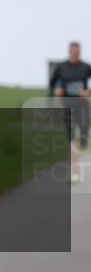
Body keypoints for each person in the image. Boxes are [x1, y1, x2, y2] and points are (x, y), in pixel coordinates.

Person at [49, 41, 90, 182]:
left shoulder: (86, 67)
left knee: (83, 138)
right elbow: (52, 84)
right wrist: (56, 90)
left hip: (83, 106)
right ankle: (75, 170)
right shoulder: (61, 67)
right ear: (69, 52)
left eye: (77, 53)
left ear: (80, 53)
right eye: (73, 52)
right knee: (72, 139)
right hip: (68, 107)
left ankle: (83, 140)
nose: (75, 55)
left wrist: (88, 91)